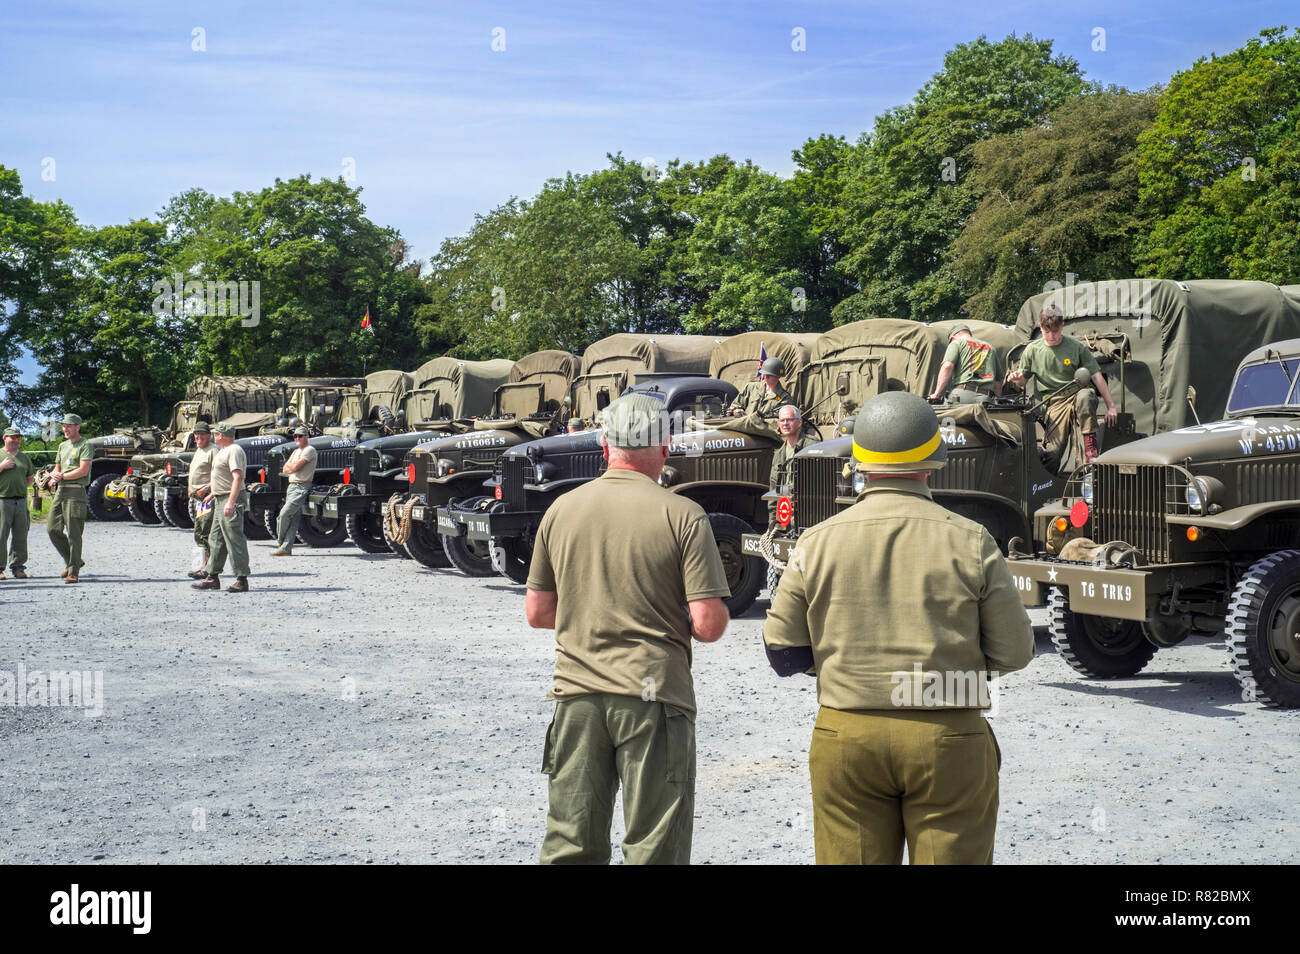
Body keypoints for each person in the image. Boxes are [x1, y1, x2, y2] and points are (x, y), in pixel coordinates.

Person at [763, 391, 1034, 865]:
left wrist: (845, 665)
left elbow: (783, 652)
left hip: (846, 737)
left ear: (859, 462)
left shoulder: (815, 542)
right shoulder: (972, 540)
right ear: (933, 461)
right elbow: (1015, 652)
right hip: (947, 737)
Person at [525, 392, 731, 864]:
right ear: (665, 446)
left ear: (604, 445)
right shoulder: (683, 514)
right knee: (654, 845)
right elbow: (710, 623)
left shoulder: (561, 510)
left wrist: (593, 607)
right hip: (653, 696)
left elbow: (538, 612)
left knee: (570, 843)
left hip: (577, 695)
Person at [1006, 304, 1118, 465]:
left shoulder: (1076, 347)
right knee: (1052, 455)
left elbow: (1096, 376)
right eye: (1046, 332)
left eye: (1055, 331)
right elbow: (1024, 380)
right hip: (1053, 402)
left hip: (1076, 393)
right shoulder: (1032, 350)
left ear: (1062, 326)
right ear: (1040, 327)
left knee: (1085, 396)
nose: (1051, 336)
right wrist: (1018, 378)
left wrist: (1111, 407)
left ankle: (1091, 453)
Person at [192, 422, 251, 592]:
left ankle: (242, 579)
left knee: (234, 539)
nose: (214, 436)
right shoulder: (224, 451)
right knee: (215, 539)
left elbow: (237, 478)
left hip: (230, 499)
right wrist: (214, 494)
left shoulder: (234, 450)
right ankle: (212, 577)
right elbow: (222, 479)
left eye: (216, 433)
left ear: (222, 435)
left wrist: (231, 502)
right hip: (220, 498)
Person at [46, 413, 93, 584]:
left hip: (76, 492)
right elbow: (57, 469)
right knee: (52, 529)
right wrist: (52, 477)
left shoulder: (85, 445)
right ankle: (74, 561)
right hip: (61, 491)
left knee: (74, 534)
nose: (65, 429)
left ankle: (73, 572)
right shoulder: (62, 446)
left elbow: (83, 471)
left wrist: (61, 476)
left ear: (77, 427)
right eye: (64, 426)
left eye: (69, 426)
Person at [270, 426, 317, 556]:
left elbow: (296, 466)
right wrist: (292, 467)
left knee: (284, 515)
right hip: (292, 487)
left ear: (307, 437)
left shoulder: (309, 450)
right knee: (293, 519)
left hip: (302, 487)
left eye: (300, 436)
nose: (297, 438)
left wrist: (292, 467)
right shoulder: (296, 451)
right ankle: (286, 548)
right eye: (295, 436)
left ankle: (281, 543)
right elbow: (285, 468)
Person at [928, 324, 1003, 404]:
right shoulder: (990, 348)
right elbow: (997, 381)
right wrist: (997, 401)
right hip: (985, 398)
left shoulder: (956, 343)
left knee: (947, 414)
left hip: (960, 397)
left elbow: (947, 366)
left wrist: (937, 394)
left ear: (953, 338)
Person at [768, 405, 814, 524]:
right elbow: (774, 491)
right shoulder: (779, 454)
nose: (785, 423)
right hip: (785, 518)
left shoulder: (812, 448)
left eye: (789, 419)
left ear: (799, 422)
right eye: (782, 420)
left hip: (808, 515)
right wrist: (772, 523)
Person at [0, 426, 36, 581]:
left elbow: (30, 478)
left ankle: (18, 567)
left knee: (21, 535)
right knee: (1, 535)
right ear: (4, 438)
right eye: (12, 437)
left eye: (18, 438)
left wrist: (20, 488)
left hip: (20, 501)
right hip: (2, 500)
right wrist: (2, 467)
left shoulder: (24, 457)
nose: (15, 440)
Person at [186, 421, 218, 579]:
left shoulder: (213, 451)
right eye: (196, 434)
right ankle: (202, 565)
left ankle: (208, 567)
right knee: (199, 531)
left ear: (209, 435)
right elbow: (191, 472)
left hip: (206, 497)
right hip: (196, 497)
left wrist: (206, 489)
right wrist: (189, 488)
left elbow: (218, 475)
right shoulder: (199, 450)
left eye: (202, 434)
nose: (199, 436)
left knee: (205, 530)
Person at [728, 356, 794, 419]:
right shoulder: (751, 388)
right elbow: (736, 404)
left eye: (769, 375)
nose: (765, 377)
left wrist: (755, 418)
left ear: (778, 376)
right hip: (743, 426)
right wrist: (736, 410)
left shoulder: (783, 398)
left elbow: (777, 418)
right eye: (764, 373)